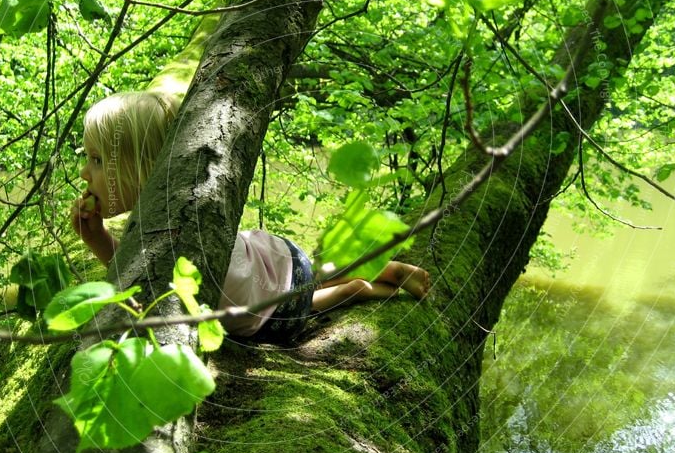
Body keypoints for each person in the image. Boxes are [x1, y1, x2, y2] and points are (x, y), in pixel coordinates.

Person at [71, 91, 430, 345]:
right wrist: (97, 237)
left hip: (270, 312)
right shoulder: (187, 203)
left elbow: (142, 283)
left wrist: (100, 242)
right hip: (275, 255)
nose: (86, 173)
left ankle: (354, 291)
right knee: (314, 272)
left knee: (306, 299)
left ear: (143, 169)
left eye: (98, 160)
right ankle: (381, 268)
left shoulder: (165, 232)